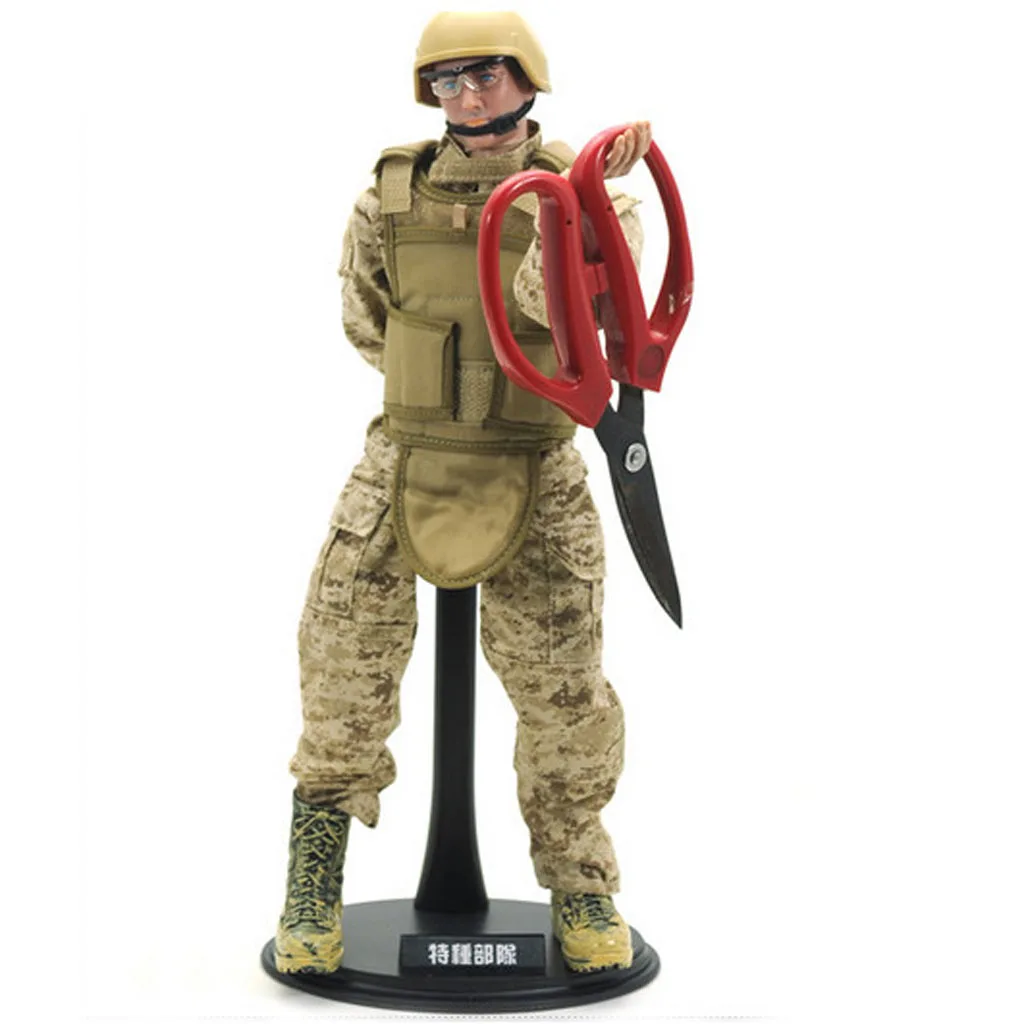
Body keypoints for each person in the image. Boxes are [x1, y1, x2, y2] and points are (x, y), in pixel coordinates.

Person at [274, 11, 651, 976]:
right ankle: (313, 884)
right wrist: (438, 392)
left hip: (533, 460)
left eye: (485, 75)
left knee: (565, 691)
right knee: (340, 658)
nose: (468, 97)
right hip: (407, 455)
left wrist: (579, 203)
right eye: (446, 82)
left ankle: (581, 882)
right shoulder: (390, 194)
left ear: (527, 78)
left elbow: (561, 316)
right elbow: (367, 319)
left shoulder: (596, 199)